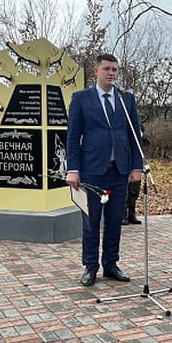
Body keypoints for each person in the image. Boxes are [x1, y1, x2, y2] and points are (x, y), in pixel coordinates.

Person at [66, 54, 143, 287]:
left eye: (115, 70)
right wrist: (73, 169)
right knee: (91, 221)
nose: (111, 73)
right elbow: (72, 137)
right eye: (107, 69)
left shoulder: (125, 99)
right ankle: (91, 266)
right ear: (96, 71)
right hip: (92, 170)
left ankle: (111, 264)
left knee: (114, 220)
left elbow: (134, 135)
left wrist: (137, 166)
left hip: (119, 170)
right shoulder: (81, 99)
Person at [123, 129, 149, 225]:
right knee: (125, 191)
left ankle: (131, 214)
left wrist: (141, 135)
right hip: (124, 161)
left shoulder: (137, 125)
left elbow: (146, 142)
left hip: (136, 163)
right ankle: (123, 216)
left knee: (134, 191)